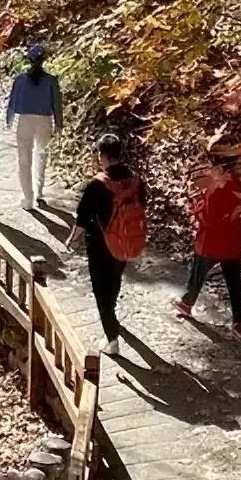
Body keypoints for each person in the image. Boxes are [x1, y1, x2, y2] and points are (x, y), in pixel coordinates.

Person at [66, 132, 146, 356]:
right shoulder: (135, 180)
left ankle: (112, 340)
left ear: (102, 156)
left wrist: (71, 240)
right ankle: (112, 317)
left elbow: (82, 219)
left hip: (101, 246)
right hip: (127, 242)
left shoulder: (98, 184)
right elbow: (143, 206)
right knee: (114, 280)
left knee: (101, 291)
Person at [172, 150, 241, 335]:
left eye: (213, 166)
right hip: (232, 241)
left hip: (211, 242)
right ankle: (239, 322)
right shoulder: (239, 186)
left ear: (221, 169)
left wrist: (195, 209)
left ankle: (186, 304)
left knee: (198, 274)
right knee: (234, 282)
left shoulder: (215, 190)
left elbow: (208, 218)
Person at [6, 43, 62, 210]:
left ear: (28, 60)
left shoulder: (20, 80)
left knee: (24, 160)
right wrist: (59, 123)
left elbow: (12, 103)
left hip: (25, 120)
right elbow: (57, 104)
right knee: (41, 155)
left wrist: (9, 121)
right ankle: (39, 192)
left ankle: (28, 198)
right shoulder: (51, 81)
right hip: (45, 120)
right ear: (44, 60)